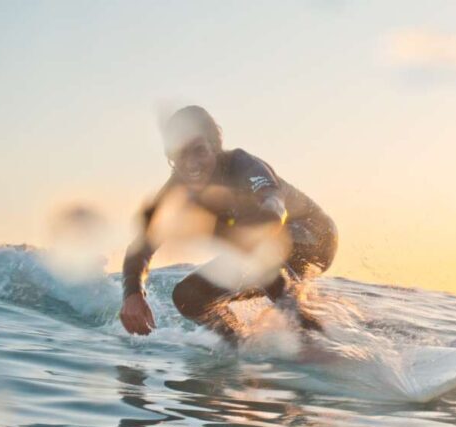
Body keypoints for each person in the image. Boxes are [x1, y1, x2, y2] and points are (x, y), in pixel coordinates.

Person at [118, 106, 337, 343]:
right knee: (188, 297)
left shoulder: (242, 165)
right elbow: (141, 245)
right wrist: (133, 294)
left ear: (214, 146)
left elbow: (273, 205)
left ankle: (314, 342)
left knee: (255, 243)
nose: (191, 164)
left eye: (199, 150)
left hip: (315, 236)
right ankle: (244, 347)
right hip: (263, 249)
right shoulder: (176, 189)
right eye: (181, 154)